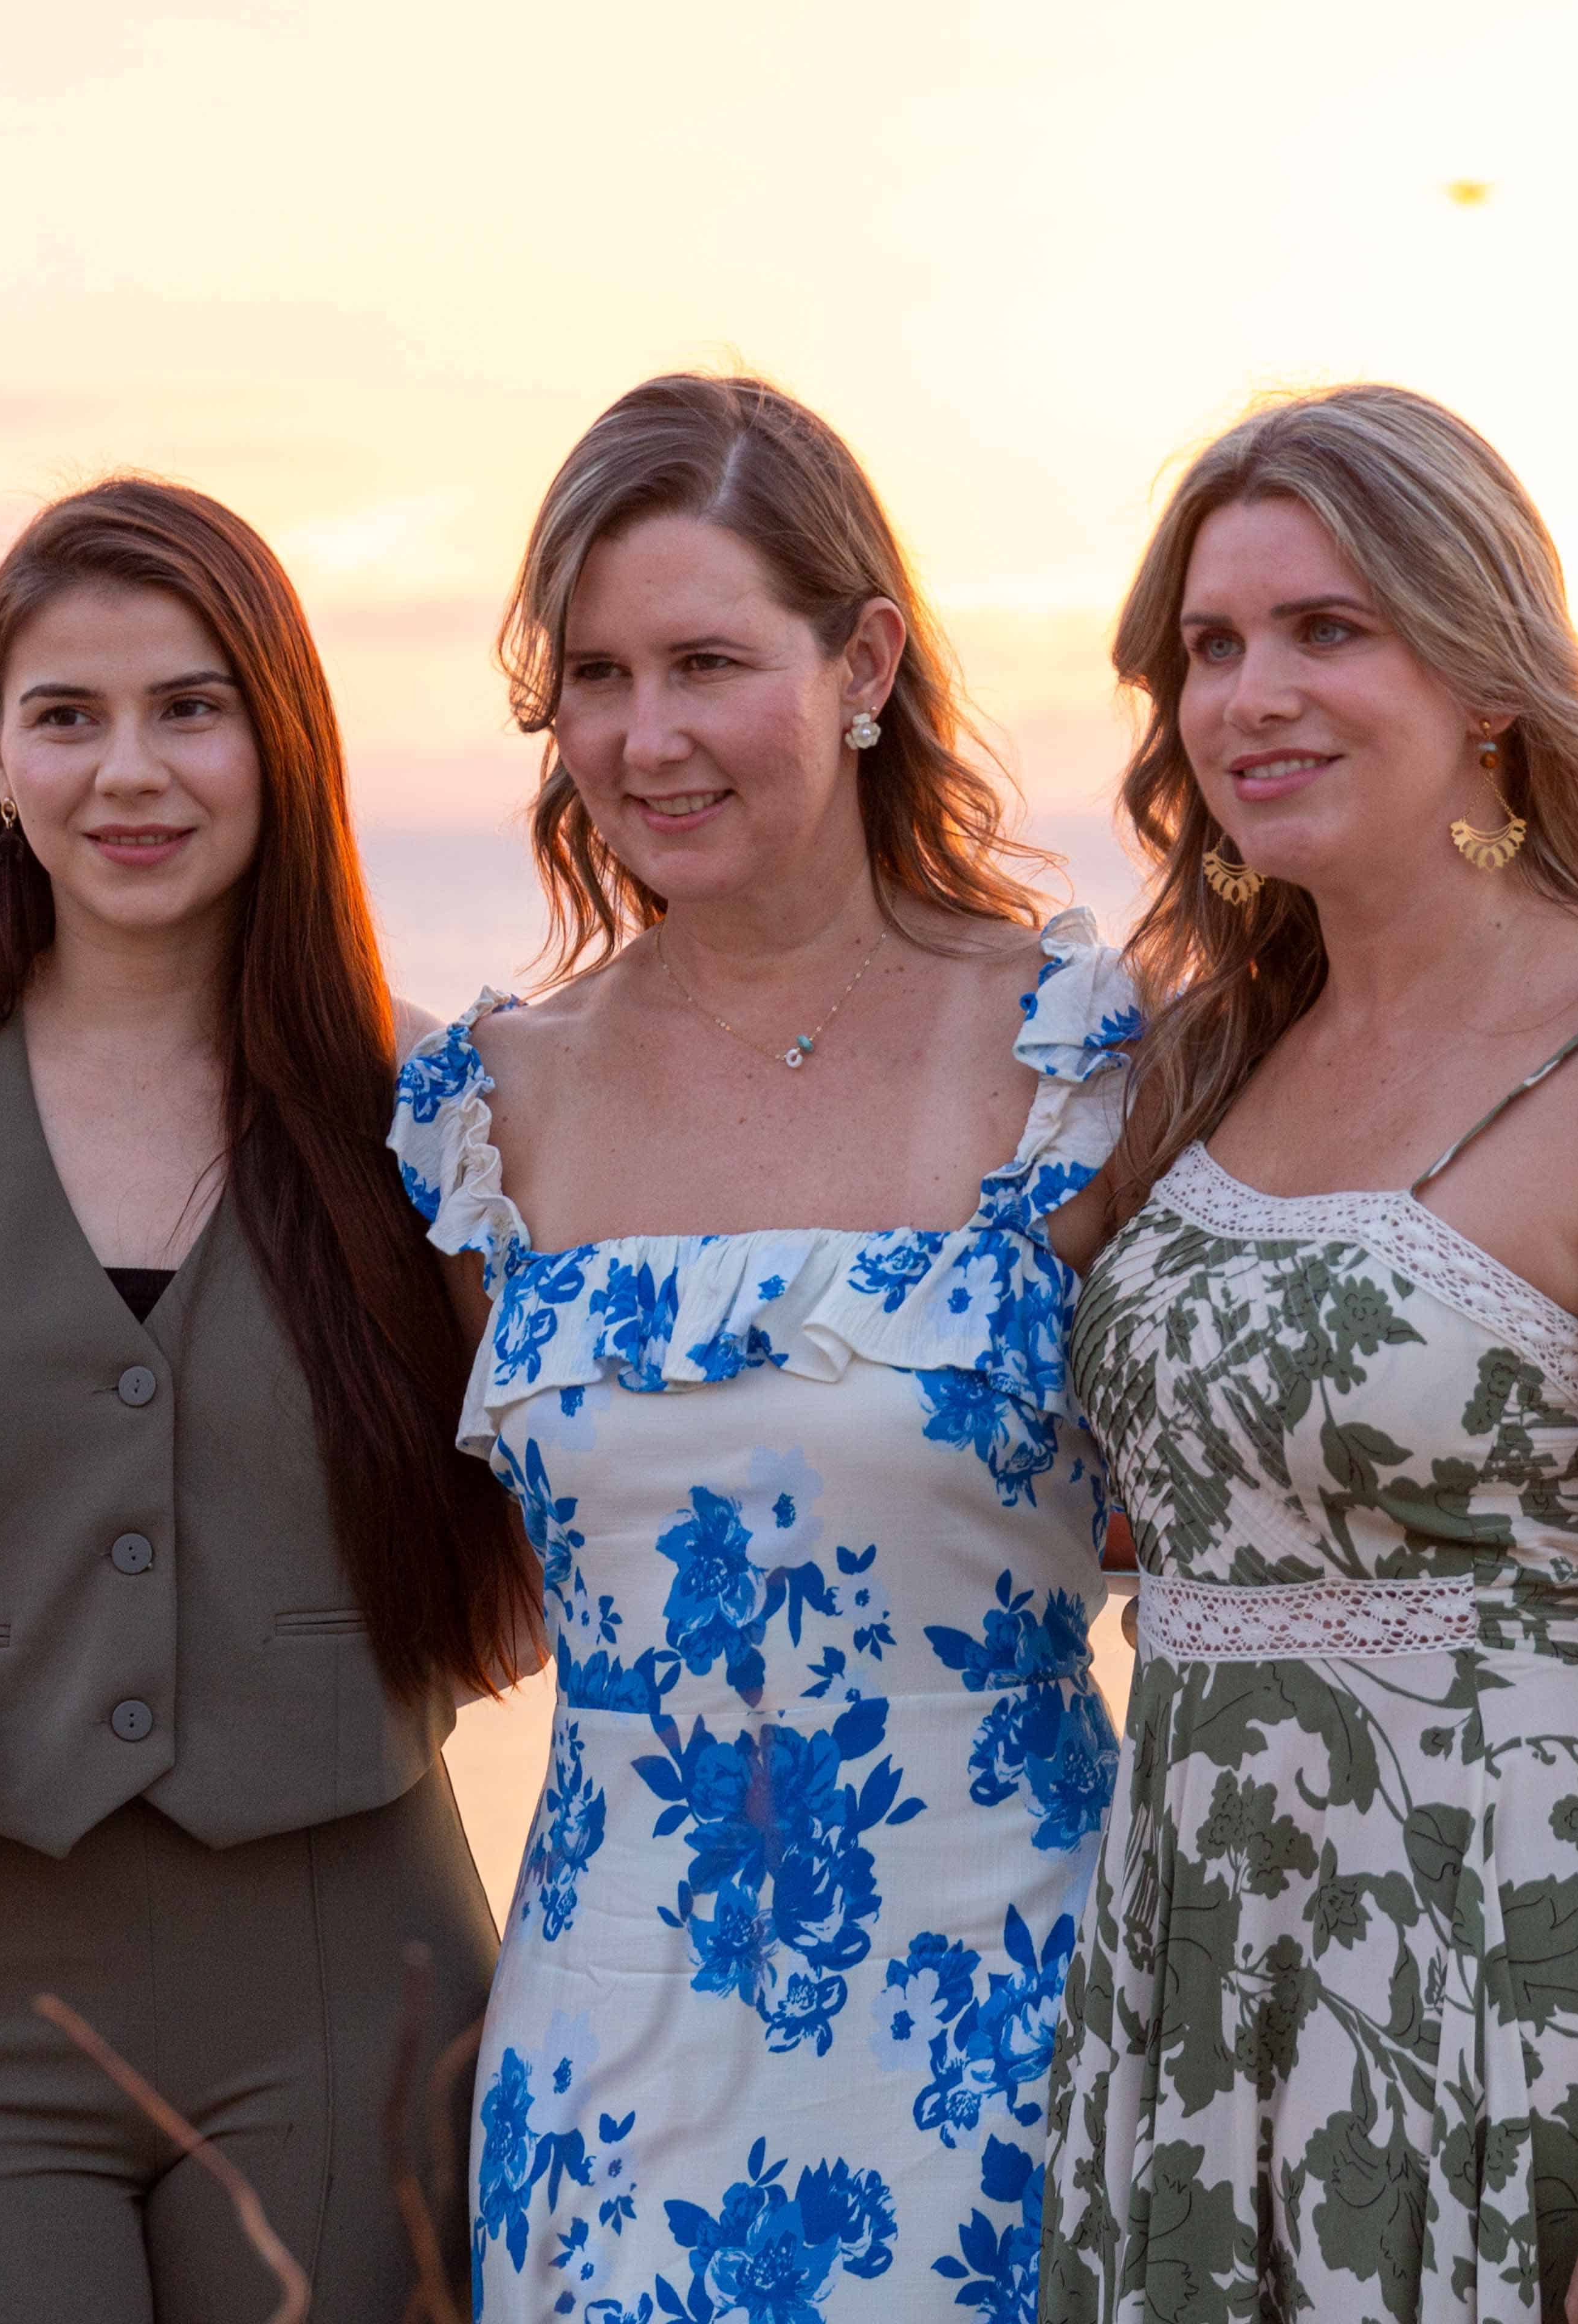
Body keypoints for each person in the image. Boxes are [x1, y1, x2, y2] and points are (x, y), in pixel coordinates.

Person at [1041, 385, 1578, 2324]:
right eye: (1212, 648)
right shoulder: (1206, 1057)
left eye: (1328, 630)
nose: (1249, 697)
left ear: (1485, 675)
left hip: (1492, 1992)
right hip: (1188, 1991)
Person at [0, 476, 533, 2322]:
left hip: (359, 1975)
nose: (130, 772)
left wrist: (392, 1644)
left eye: (190, 706)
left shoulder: (436, 1107)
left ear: (281, 736)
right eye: (66, 717)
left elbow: (553, 1502)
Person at [389, 374, 1139, 2324]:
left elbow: (1272, 1492)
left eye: (709, 663)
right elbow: (448, 1593)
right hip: (606, 2070)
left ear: (865, 659)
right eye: (598, 677)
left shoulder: (1089, 1055)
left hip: (1023, 2041)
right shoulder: (487, 1110)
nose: (646, 739)